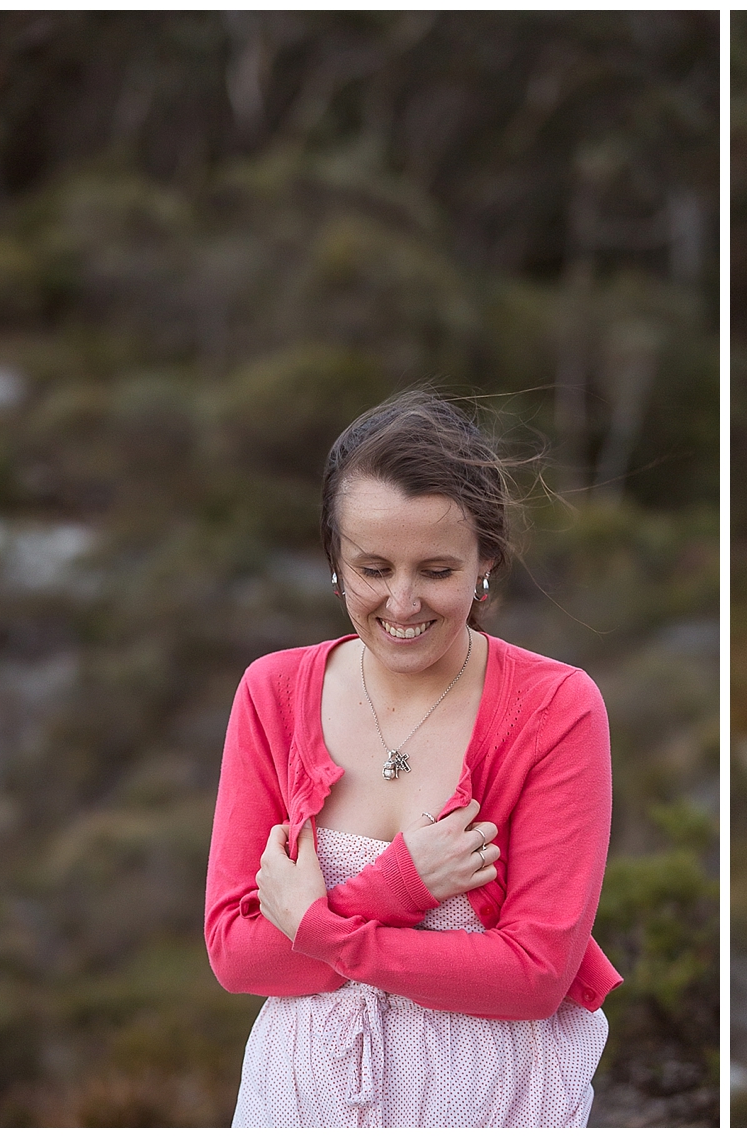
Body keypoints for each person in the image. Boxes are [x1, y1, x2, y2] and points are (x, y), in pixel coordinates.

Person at [204, 390, 621, 1127]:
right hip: (296, 1107)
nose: (400, 604)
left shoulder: (558, 708)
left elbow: (532, 977)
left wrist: (320, 927)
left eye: (435, 570)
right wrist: (395, 889)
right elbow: (237, 956)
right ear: (334, 560)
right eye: (372, 568)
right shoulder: (271, 693)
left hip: (488, 1105)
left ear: (485, 558)